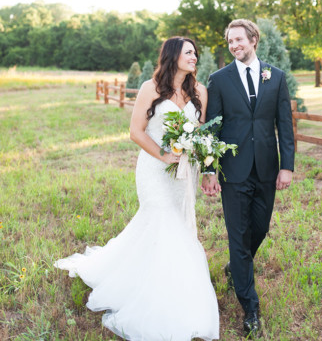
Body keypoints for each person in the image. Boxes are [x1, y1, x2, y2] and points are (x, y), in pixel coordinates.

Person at [55, 37, 219, 341]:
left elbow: (201, 133)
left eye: (195, 52)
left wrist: (202, 162)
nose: (194, 57)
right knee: (162, 220)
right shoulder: (150, 88)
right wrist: (164, 154)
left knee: (174, 225)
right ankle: (158, 296)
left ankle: (166, 280)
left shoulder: (200, 91)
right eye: (188, 52)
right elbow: (135, 131)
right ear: (173, 55)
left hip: (184, 173)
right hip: (155, 169)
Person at [201, 19, 295, 336]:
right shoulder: (219, 80)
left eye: (239, 39)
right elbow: (212, 128)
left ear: (254, 39)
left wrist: (287, 165)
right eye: (230, 41)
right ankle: (250, 308)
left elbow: (285, 124)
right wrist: (209, 170)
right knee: (238, 237)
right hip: (234, 171)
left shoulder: (276, 77)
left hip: (267, 168)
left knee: (260, 228)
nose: (234, 45)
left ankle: (236, 266)